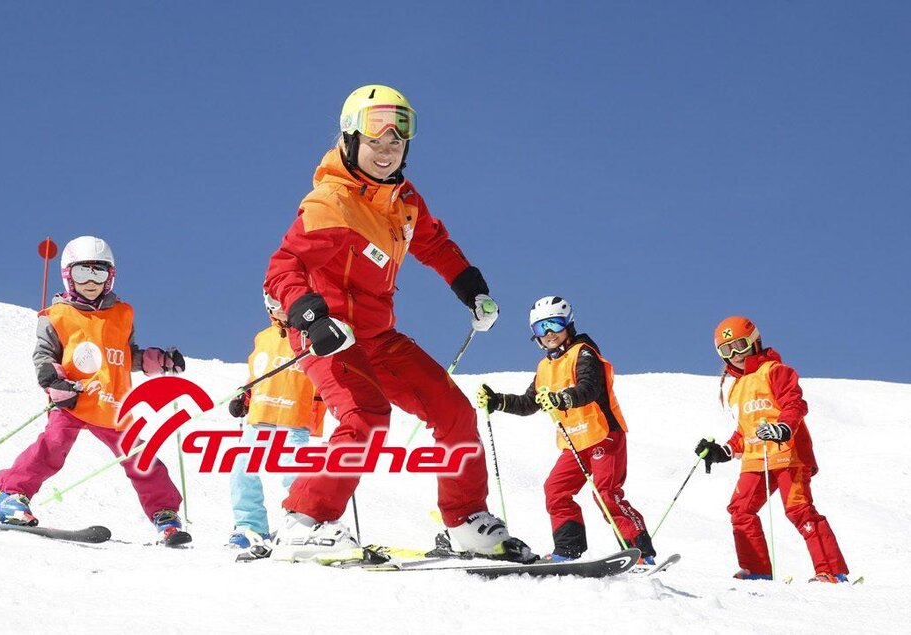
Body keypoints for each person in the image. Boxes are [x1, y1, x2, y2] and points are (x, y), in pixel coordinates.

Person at [262, 84, 526, 561]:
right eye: (375, 141)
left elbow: (433, 243)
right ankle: (304, 523)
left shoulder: (402, 199)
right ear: (349, 140)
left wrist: (471, 288)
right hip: (328, 332)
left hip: (378, 335)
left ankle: (466, 521)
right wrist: (311, 316)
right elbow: (283, 268)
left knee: (453, 412)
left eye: (395, 143)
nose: (385, 152)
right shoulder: (331, 203)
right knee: (365, 416)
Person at [0, 235, 192, 546]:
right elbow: (44, 357)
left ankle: (164, 514)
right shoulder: (57, 316)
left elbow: (127, 355)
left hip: (113, 406)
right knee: (52, 447)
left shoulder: (122, 314)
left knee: (142, 456)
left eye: (98, 273)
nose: (90, 281)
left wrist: (160, 361)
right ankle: (10, 496)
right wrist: (56, 384)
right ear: (67, 275)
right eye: (81, 273)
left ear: (110, 277)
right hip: (73, 399)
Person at [476, 296, 656, 563]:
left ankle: (641, 553)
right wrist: (498, 401)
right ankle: (567, 550)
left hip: (603, 435)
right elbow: (529, 403)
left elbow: (589, 387)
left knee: (607, 494)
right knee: (556, 490)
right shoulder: (544, 367)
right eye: (541, 328)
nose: (549, 334)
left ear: (568, 324)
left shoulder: (583, 352)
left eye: (554, 324)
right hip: (574, 442)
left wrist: (563, 399)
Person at [694, 316, 849, 582]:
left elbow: (795, 404)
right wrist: (723, 451)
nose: (735, 355)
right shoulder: (735, 389)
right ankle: (757, 571)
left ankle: (831, 571)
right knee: (740, 510)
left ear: (755, 341)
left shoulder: (775, 371)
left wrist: (784, 427)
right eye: (727, 350)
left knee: (798, 510)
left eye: (740, 345)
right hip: (756, 459)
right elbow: (745, 431)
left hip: (788, 454)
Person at [226, 304, 327, 549]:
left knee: (294, 474)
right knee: (241, 470)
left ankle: (301, 522)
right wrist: (244, 396)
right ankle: (250, 527)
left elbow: (327, 374)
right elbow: (258, 373)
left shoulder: (313, 335)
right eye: (274, 302)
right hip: (261, 415)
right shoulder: (264, 337)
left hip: (295, 417)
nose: (281, 308)